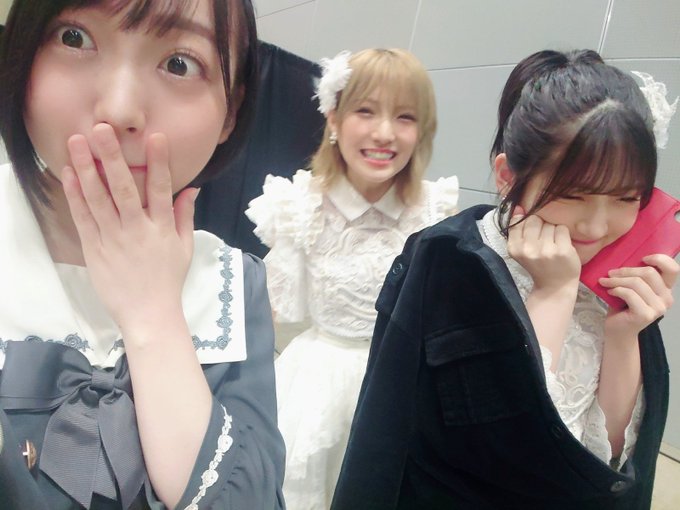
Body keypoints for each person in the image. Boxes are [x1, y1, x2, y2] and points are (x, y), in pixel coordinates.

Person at [331, 49, 679, 510]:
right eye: (574, 195)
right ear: (507, 175)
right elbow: (499, 457)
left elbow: (610, 461)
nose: (597, 226)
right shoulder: (451, 260)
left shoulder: (625, 274)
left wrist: (624, 335)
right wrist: (552, 294)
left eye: (626, 198)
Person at [0, 1, 285, 509]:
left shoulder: (232, 286)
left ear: (231, 111)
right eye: (74, 38)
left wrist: (153, 317)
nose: (118, 109)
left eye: (179, 63)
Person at [246, 48, 459, 509]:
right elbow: (273, 318)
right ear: (334, 118)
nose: (384, 133)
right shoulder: (298, 206)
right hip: (314, 386)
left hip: (400, 389)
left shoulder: (435, 210)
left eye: (405, 116)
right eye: (366, 110)